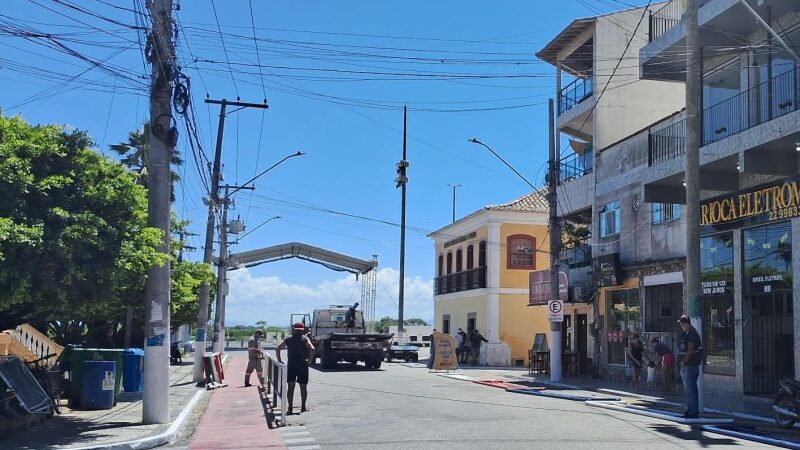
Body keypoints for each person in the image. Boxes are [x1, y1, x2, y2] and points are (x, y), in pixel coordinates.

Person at [276, 322, 316, 414]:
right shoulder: (305, 339)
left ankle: (290, 408)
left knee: (290, 387)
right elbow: (312, 349)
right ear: (302, 330)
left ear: (294, 329)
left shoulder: (288, 339)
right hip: (302, 364)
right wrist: (309, 361)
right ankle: (303, 407)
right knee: (303, 386)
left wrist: (280, 360)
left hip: (291, 365)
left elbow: (278, 349)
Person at [678, 315, 703, 418]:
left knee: (690, 389)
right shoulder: (688, 333)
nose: (681, 326)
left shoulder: (692, 333)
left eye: (681, 324)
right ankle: (690, 410)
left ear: (685, 323)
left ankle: (692, 412)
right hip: (689, 365)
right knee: (689, 389)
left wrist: (684, 362)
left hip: (690, 365)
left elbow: (690, 350)